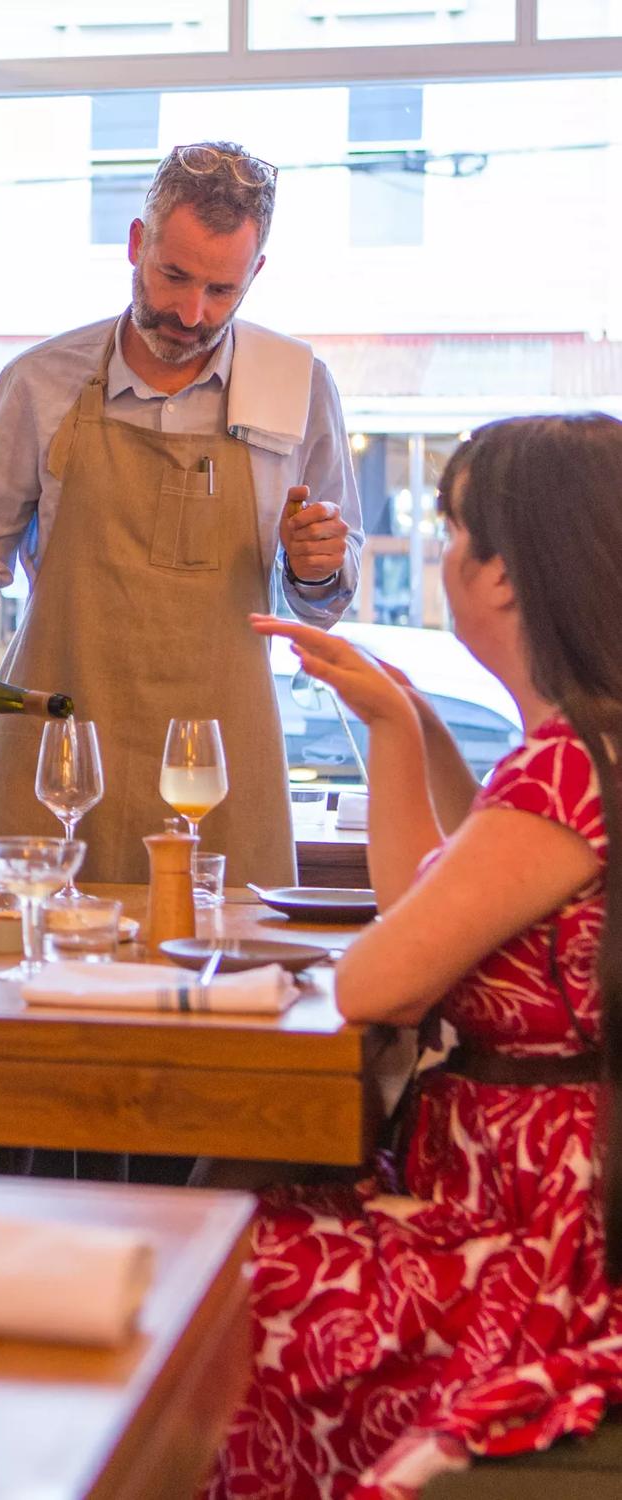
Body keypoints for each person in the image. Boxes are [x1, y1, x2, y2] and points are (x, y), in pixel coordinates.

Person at [209, 414, 622, 1498]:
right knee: (221, 1212)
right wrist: (395, 723)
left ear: (508, 571)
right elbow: (429, 903)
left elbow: (377, 976)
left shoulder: (566, 771)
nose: (440, 557)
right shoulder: (576, 750)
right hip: (542, 1199)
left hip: (544, 1242)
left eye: (454, 530)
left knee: (209, 1270)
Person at [0, 141, 363, 886]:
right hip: (53, 754)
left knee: (226, 991)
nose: (191, 313)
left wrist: (317, 567)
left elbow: (330, 594)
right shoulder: (41, 383)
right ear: (136, 243)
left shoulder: (295, 385)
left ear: (257, 274)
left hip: (218, 770)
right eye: (174, 276)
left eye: (222, 290)